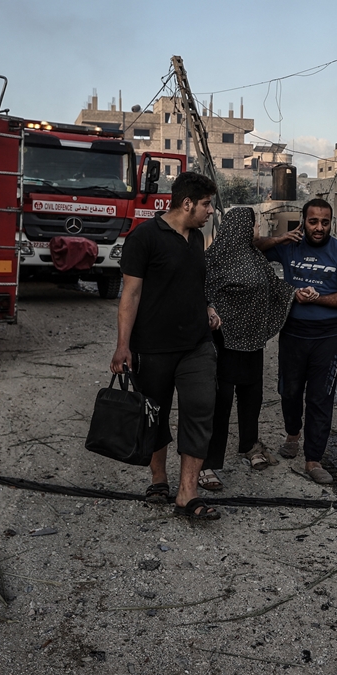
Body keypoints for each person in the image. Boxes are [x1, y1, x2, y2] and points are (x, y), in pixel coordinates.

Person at [111, 172, 223, 521]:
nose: (210, 212)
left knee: (201, 408)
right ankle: (159, 478)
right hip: (153, 346)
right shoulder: (144, 237)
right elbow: (130, 294)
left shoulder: (196, 238)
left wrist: (207, 307)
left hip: (196, 344)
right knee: (154, 414)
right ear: (186, 203)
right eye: (206, 205)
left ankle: (187, 493)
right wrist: (122, 346)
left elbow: (191, 282)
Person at [256, 198, 337, 484]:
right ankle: (293, 433)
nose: (319, 227)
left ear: (330, 224)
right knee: (289, 391)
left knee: (320, 397)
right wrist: (280, 237)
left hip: (327, 336)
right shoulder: (290, 246)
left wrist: (320, 298)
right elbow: (254, 248)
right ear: (303, 221)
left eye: (324, 222)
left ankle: (313, 459)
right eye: (313, 221)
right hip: (292, 332)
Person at [201, 207, 296, 489]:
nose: (257, 231)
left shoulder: (255, 256)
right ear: (242, 227)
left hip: (252, 341)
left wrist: (294, 293)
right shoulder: (214, 259)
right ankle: (208, 462)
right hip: (225, 342)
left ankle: (249, 445)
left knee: (252, 395)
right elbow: (202, 292)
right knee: (221, 402)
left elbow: (273, 286)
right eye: (255, 226)